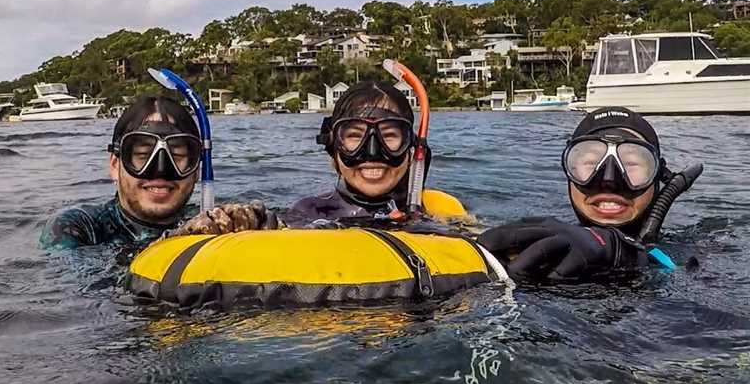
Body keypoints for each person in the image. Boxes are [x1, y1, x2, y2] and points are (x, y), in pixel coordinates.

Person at [478, 106, 701, 281]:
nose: (609, 180)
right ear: (569, 171)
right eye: (591, 162)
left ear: (658, 176)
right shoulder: (535, 239)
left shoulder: (698, 247)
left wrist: (626, 256)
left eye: (631, 164)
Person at [40, 95, 278, 250]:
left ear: (197, 169)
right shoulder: (78, 226)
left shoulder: (212, 223)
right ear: (115, 165)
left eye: (177, 157)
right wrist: (176, 243)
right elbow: (82, 288)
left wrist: (263, 226)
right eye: (143, 156)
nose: (160, 170)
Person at [286, 81, 471, 226]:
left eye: (389, 135)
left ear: (412, 149)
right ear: (333, 148)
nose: (372, 152)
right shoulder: (309, 213)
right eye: (355, 136)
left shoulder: (441, 209)